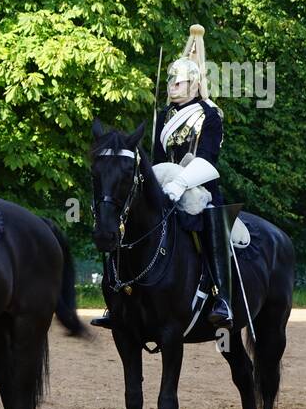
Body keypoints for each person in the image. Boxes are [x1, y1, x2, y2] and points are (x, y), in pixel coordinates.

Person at [92, 24, 232, 330]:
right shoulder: (165, 116)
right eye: (170, 81)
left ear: (194, 84)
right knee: (126, 220)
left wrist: (181, 182)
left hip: (199, 187)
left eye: (178, 82)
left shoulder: (209, 114)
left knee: (211, 224)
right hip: (165, 185)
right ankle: (116, 295)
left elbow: (208, 158)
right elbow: (155, 158)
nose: (172, 86)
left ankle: (222, 296)